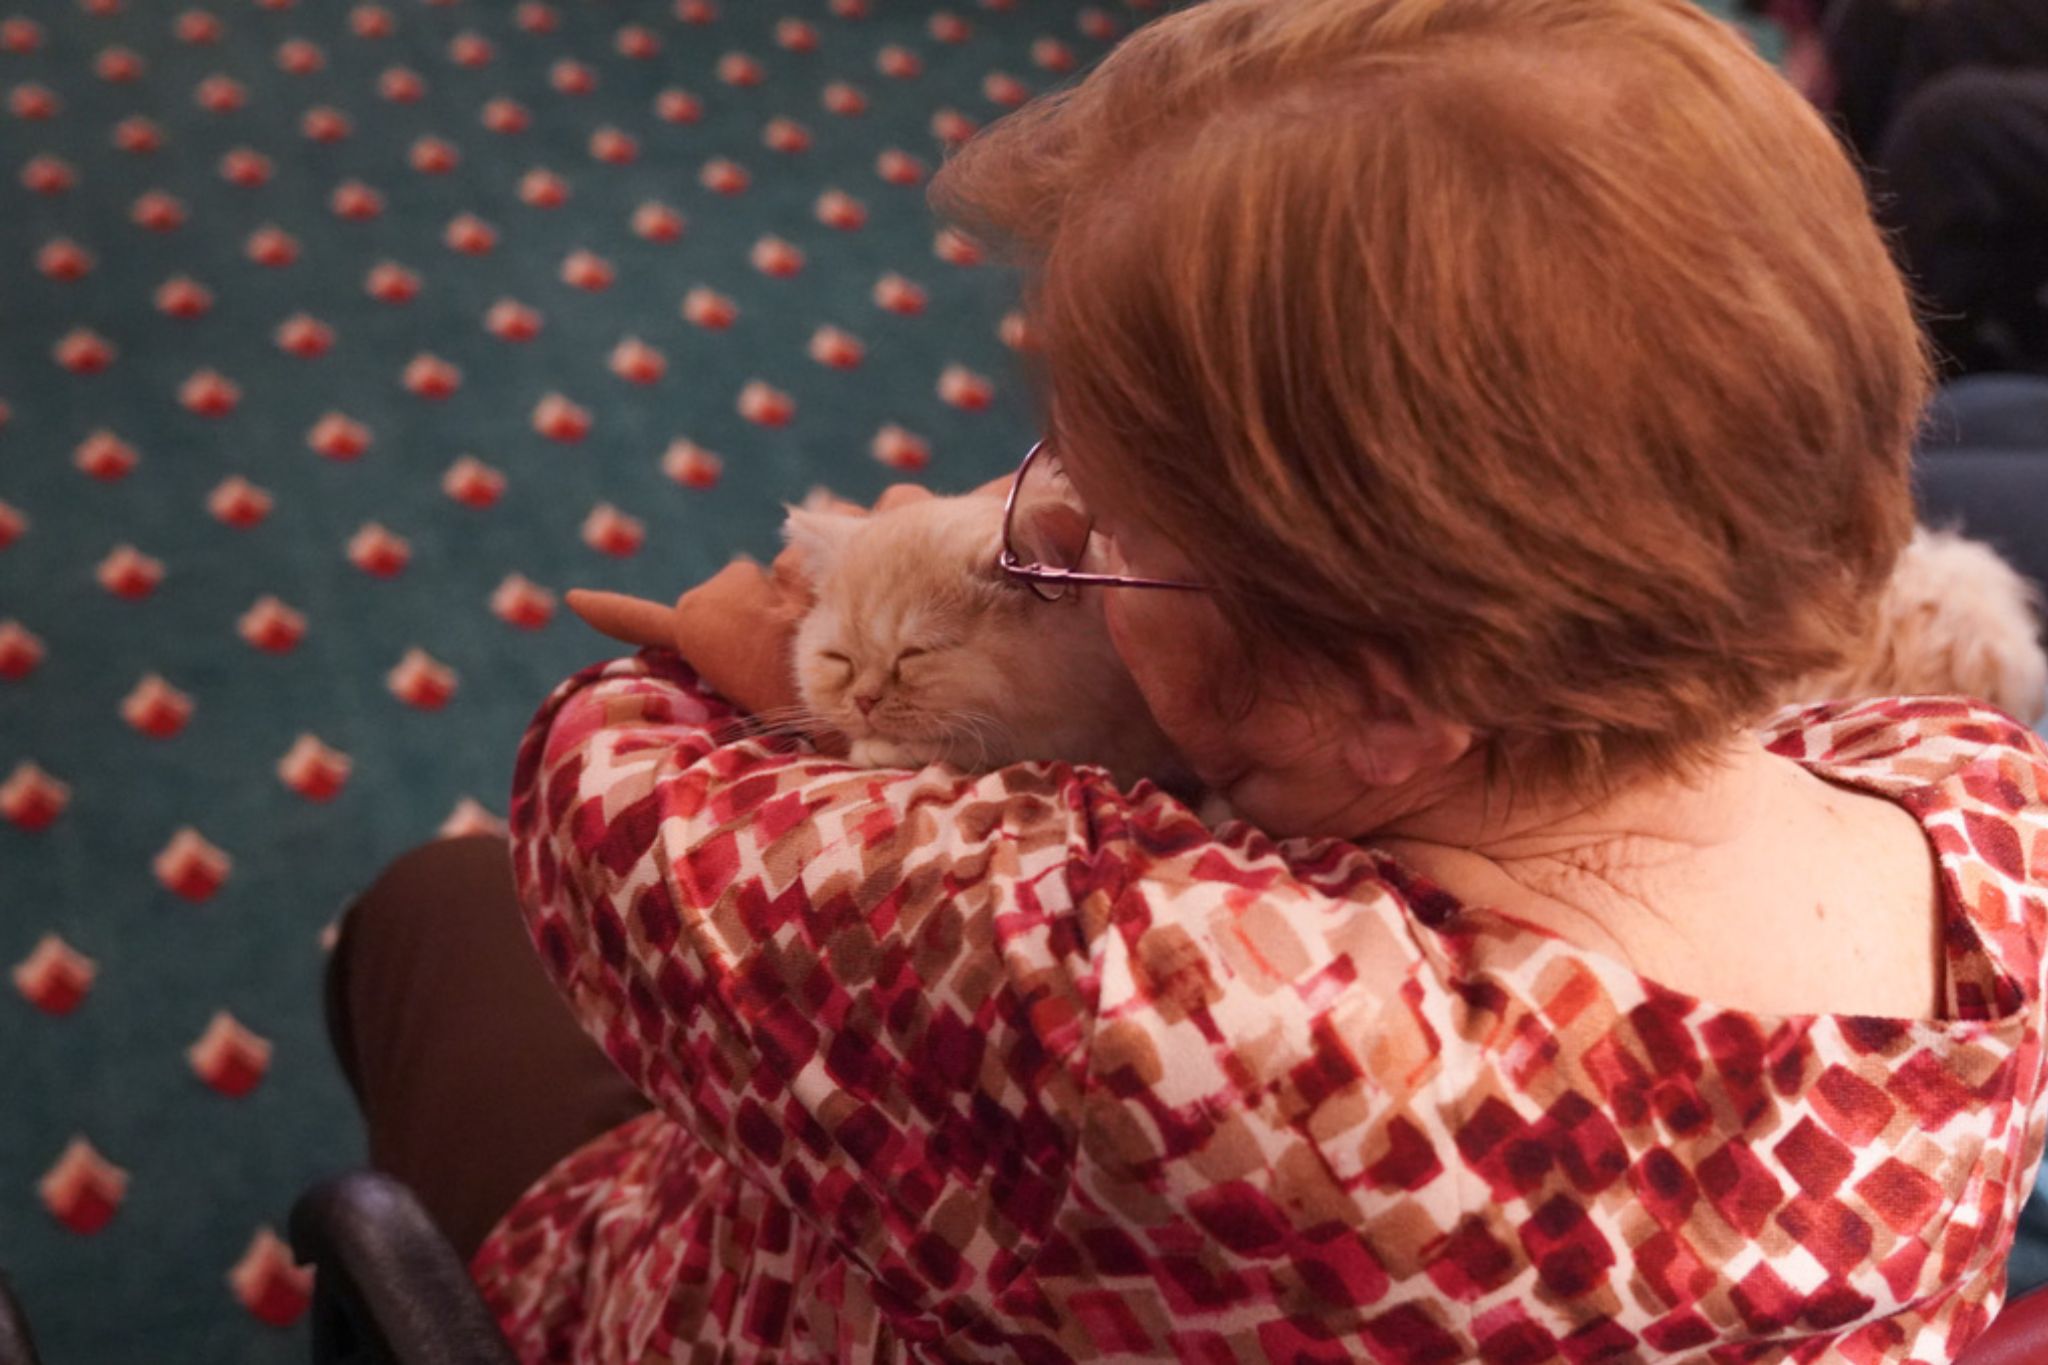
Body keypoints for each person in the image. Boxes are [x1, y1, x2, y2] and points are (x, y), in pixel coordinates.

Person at [325, 0, 2048, 1359]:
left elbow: (605, 791)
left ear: (1384, 698)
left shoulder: (1156, 1006)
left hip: (737, 1302)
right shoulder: (1988, 811)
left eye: (1097, 511)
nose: (1041, 517)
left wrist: (791, 648)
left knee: (429, 914)